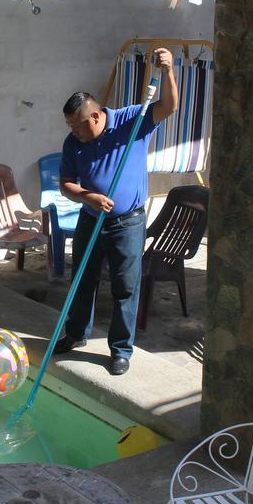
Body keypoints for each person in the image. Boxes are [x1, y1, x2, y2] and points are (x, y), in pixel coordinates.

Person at [55, 47, 180, 375]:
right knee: (82, 278)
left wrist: (167, 71)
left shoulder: (132, 121)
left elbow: (169, 106)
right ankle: (77, 333)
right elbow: (65, 183)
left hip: (127, 223)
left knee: (125, 286)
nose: (74, 132)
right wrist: (88, 197)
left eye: (78, 125)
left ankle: (121, 350)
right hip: (91, 218)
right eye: (70, 126)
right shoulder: (74, 144)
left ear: (95, 116)